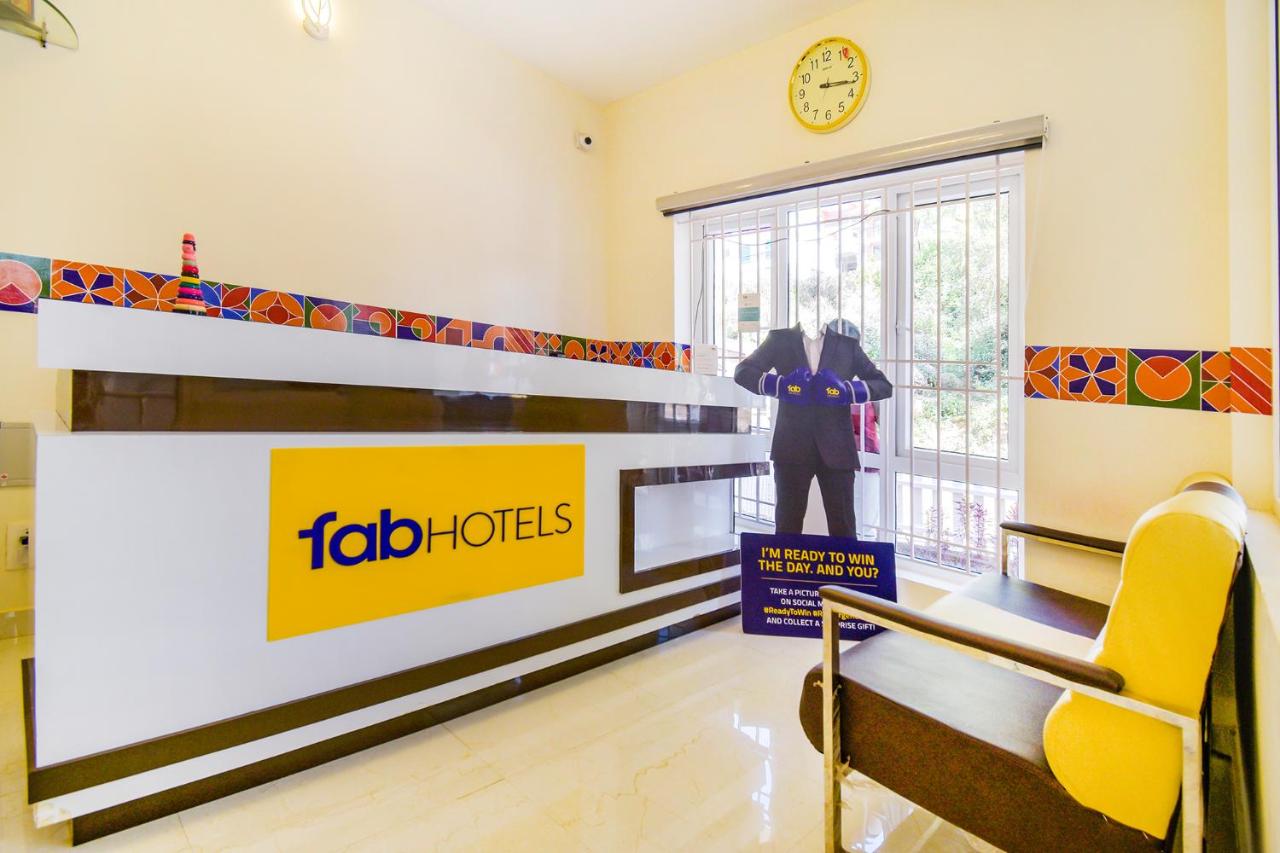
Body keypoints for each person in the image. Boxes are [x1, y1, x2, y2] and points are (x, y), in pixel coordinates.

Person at [734, 318, 892, 538]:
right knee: (787, 528)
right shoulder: (780, 340)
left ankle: (844, 563)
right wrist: (780, 386)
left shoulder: (847, 345)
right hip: (791, 445)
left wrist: (846, 391)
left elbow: (883, 385)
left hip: (838, 448)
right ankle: (786, 563)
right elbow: (742, 372)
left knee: (844, 529)